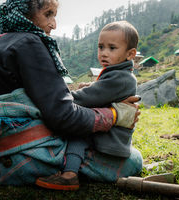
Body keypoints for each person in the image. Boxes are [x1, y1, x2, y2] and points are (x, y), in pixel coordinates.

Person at [0, 0, 142, 186]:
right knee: (133, 159)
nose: (54, 24)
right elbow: (64, 117)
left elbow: (48, 98)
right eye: (48, 14)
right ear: (25, 14)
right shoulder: (29, 43)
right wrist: (114, 115)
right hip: (21, 158)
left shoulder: (2, 42)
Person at [36, 21, 139, 190]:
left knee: (78, 133)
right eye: (101, 47)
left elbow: (87, 98)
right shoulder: (118, 74)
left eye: (112, 48)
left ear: (130, 54)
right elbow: (99, 92)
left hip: (110, 139)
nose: (104, 53)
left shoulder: (120, 78)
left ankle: (70, 175)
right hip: (112, 135)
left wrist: (61, 98)